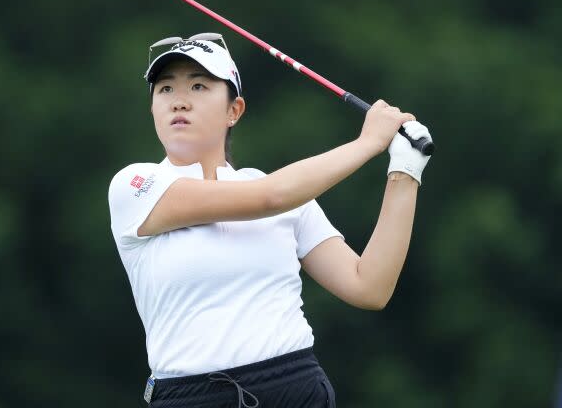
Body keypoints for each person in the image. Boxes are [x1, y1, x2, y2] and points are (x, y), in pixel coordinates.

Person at [108, 33, 433, 408]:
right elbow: (269, 197)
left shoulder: (286, 196)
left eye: (199, 86)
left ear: (235, 110)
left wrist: (405, 171)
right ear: (152, 108)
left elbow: (369, 287)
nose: (179, 100)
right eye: (165, 89)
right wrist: (367, 143)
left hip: (294, 388)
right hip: (192, 398)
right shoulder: (136, 186)